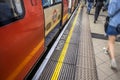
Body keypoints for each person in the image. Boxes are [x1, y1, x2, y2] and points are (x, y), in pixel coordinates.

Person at [104, 0, 120, 69]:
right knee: (112, 38)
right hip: (118, 25)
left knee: (111, 42)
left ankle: (113, 61)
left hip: (114, 23)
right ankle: (107, 50)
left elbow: (110, 13)